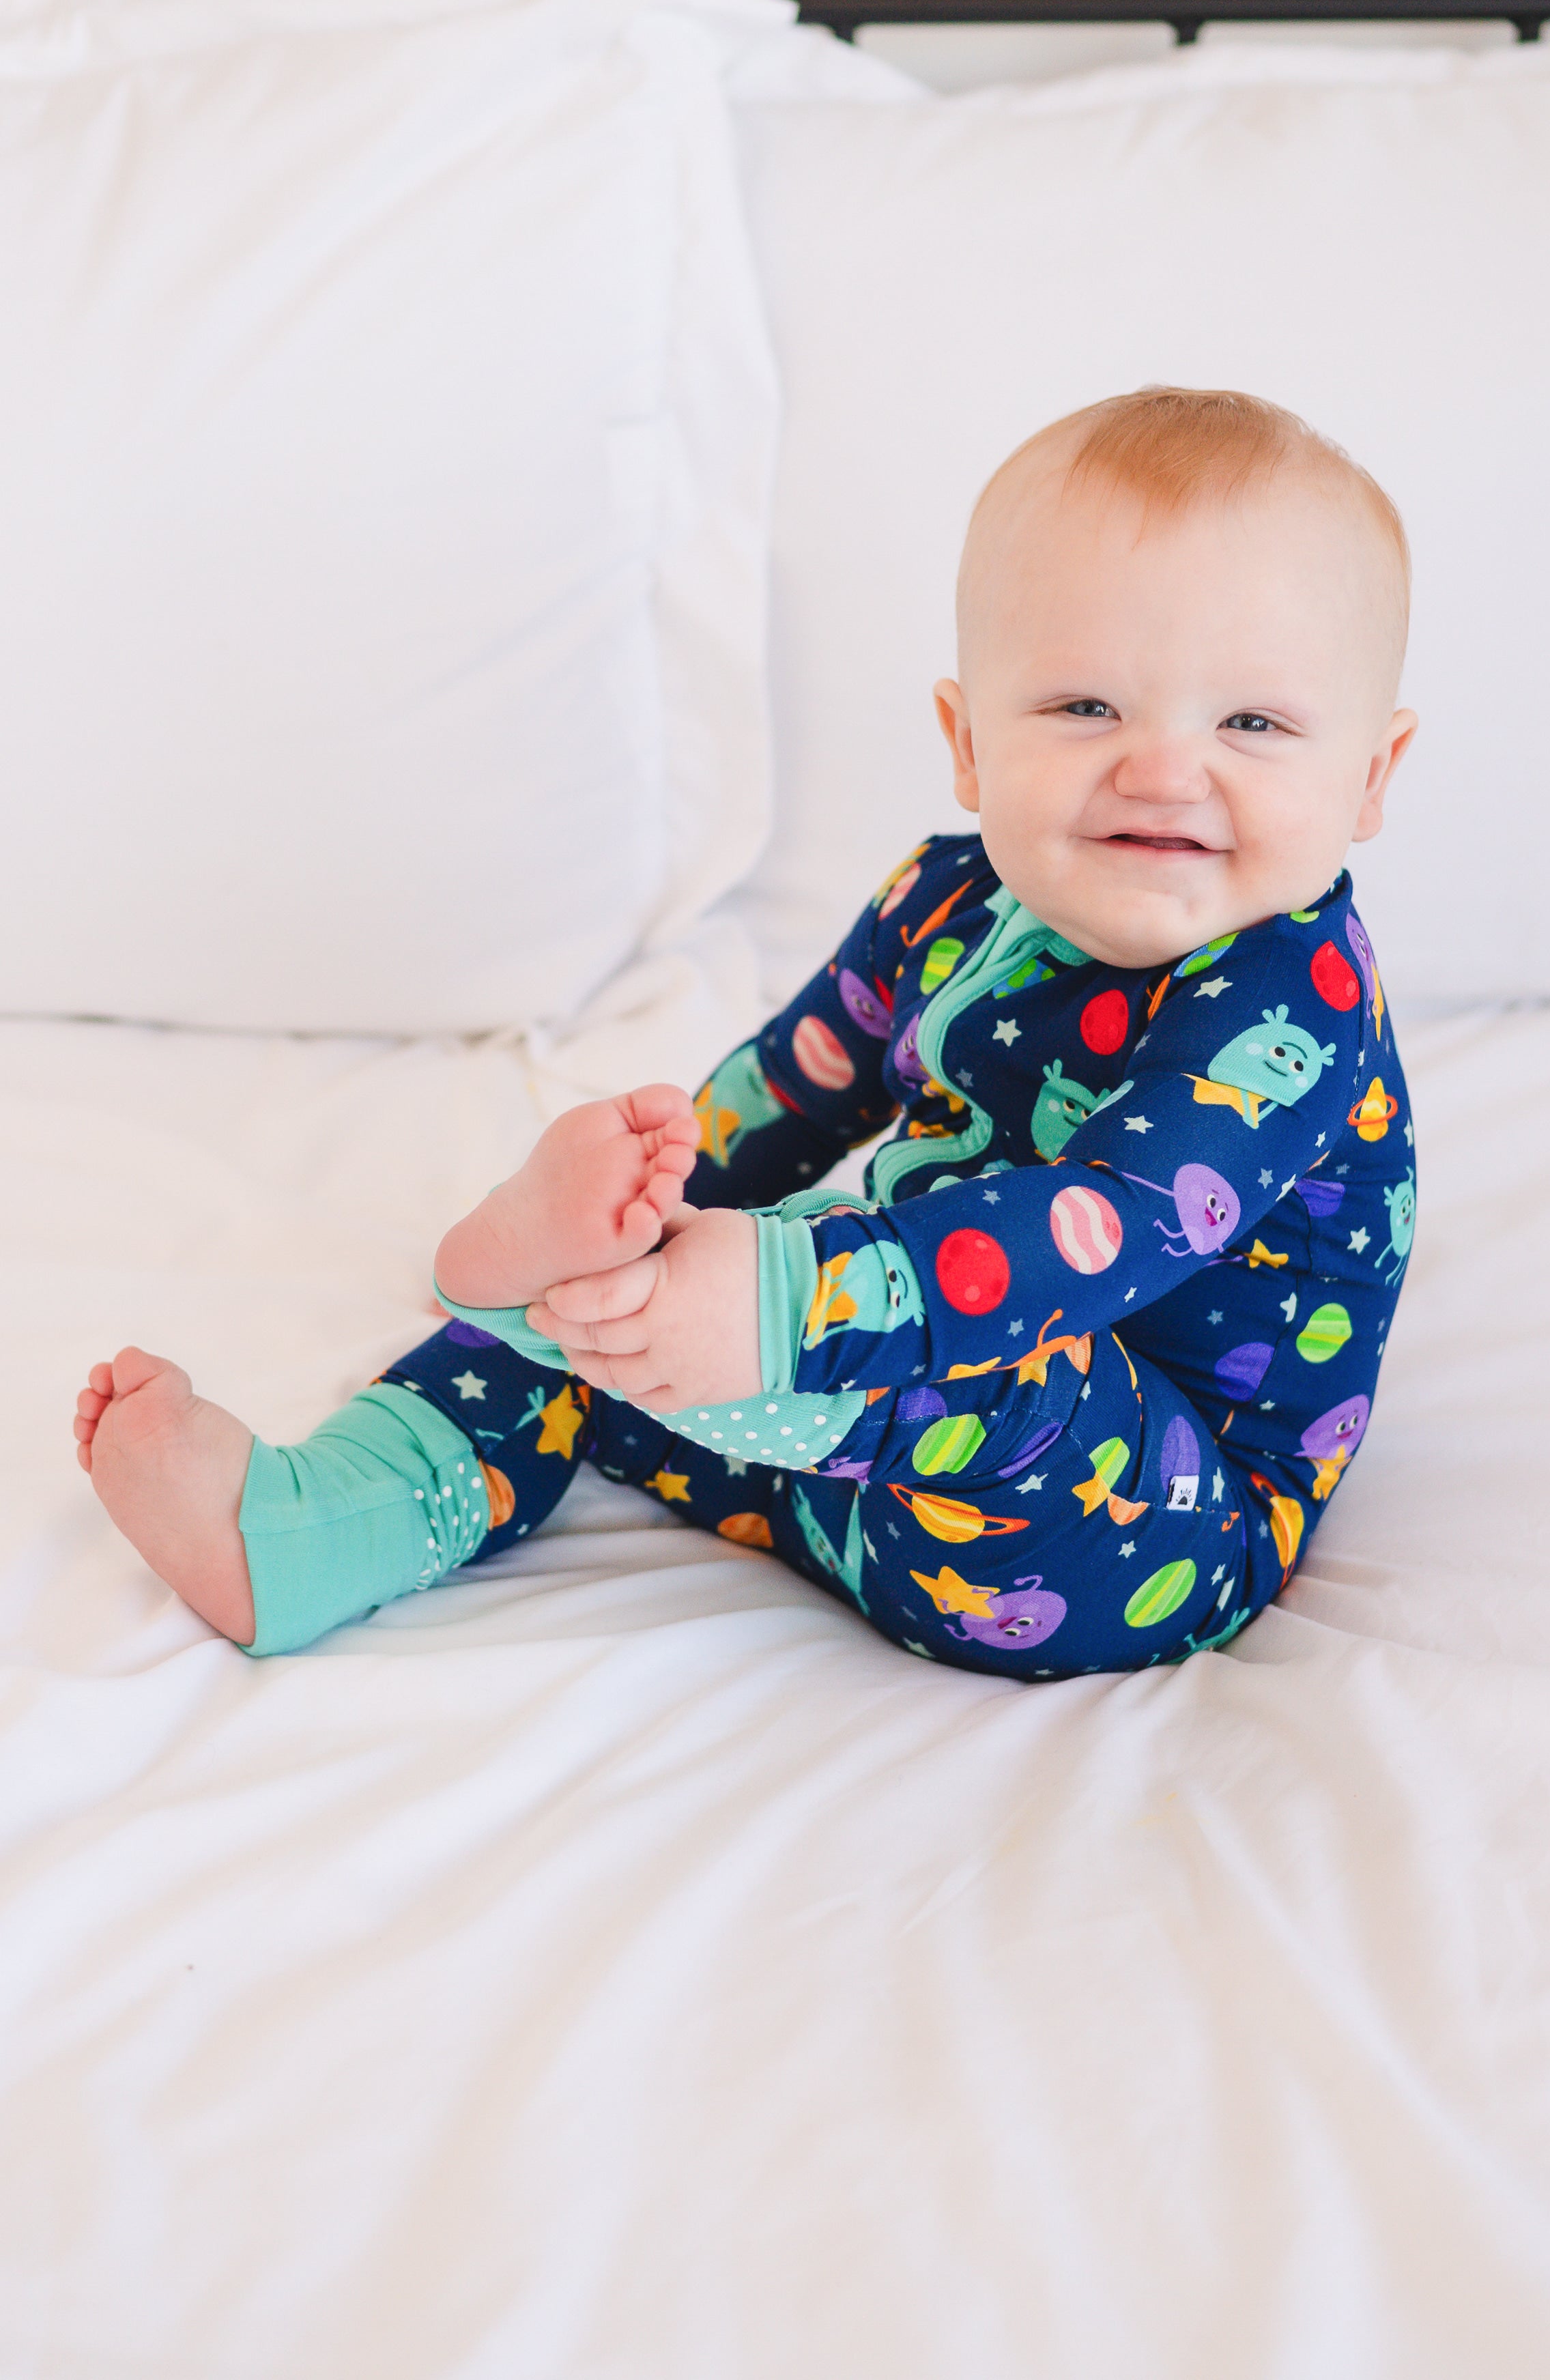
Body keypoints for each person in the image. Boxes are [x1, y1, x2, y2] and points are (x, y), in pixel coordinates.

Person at [74, 386, 1420, 1678]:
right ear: (966, 741)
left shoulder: (1292, 1004)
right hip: (846, 1473)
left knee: (946, 1338)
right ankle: (310, 1529)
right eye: (1086, 706)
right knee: (603, 1335)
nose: (1164, 767)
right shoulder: (952, 900)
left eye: (1252, 721)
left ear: (1370, 777)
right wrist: (647, 1209)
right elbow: (802, 1077)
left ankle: (741, 1337)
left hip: (1123, 1539)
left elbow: (1107, 1229)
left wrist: (784, 1306)